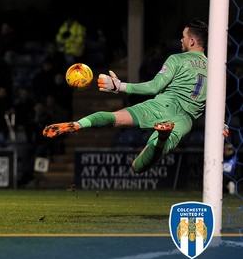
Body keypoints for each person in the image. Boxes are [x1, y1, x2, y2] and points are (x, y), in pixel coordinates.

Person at [43, 18, 212, 173]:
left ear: (191, 41)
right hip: (184, 120)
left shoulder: (177, 60)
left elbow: (154, 87)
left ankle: (78, 124)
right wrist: (221, 123)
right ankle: (162, 138)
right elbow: (214, 101)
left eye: (183, 36)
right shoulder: (214, 67)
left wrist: (119, 86)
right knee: (138, 166)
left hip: (162, 105)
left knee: (114, 118)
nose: (181, 39)